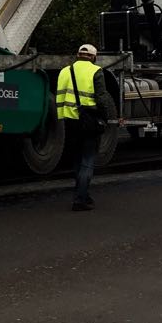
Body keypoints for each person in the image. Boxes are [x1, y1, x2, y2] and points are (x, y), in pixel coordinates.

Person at [56, 43, 104, 211]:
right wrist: (110, 118)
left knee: (77, 159)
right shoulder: (95, 71)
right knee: (88, 160)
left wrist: (61, 118)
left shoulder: (64, 71)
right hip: (89, 121)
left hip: (70, 121)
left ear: (77, 55)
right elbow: (101, 98)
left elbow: (60, 98)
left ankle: (82, 193)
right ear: (93, 57)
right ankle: (80, 198)